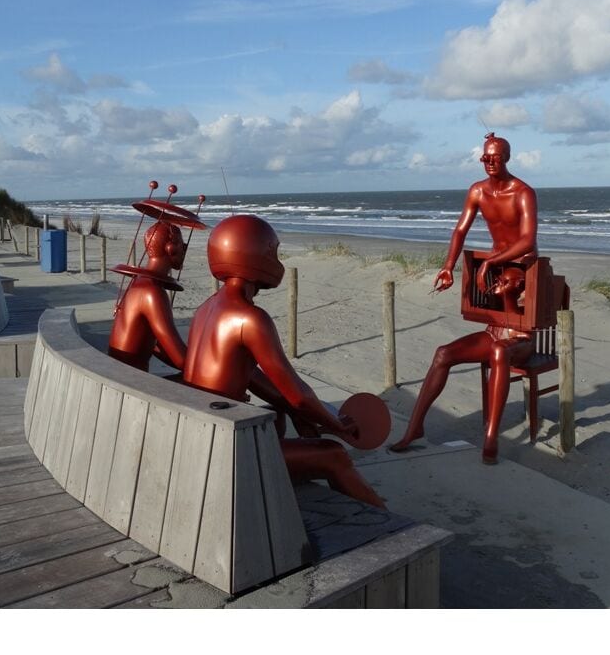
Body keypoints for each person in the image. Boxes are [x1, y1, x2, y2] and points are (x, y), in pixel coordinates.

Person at [182, 214, 386, 508]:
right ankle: (387, 523)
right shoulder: (249, 318)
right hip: (223, 448)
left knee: (277, 416)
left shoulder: (206, 309)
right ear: (254, 255)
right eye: (273, 253)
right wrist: (336, 424)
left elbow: (251, 376)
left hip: (201, 433)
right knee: (334, 455)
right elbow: (298, 393)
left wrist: (294, 412)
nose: (277, 261)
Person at [390, 132, 539, 464]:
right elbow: (460, 230)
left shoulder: (524, 193)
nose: (489, 163)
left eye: (495, 157)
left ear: (507, 158)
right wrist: (448, 267)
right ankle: (415, 428)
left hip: (520, 279)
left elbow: (528, 240)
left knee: (502, 349)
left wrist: (492, 261)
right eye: (485, 157)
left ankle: (490, 438)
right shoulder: (478, 191)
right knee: (444, 353)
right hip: (497, 295)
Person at [107, 220, 188, 372]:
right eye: (182, 244)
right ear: (171, 249)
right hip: (131, 381)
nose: (184, 249)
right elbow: (181, 359)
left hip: (118, 373)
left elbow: (156, 346)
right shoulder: (153, 292)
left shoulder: (138, 282)